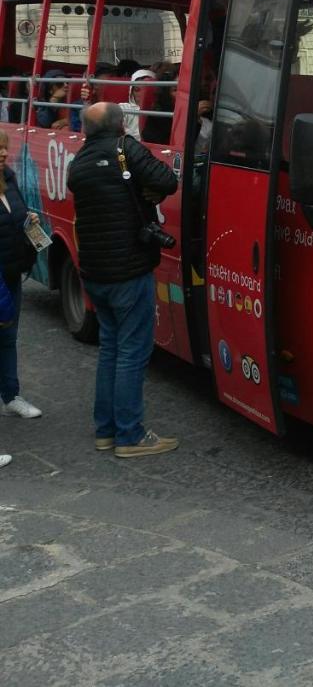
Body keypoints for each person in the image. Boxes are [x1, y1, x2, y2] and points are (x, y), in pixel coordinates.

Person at [67, 102, 179, 457]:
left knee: (111, 349)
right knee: (132, 352)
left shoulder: (79, 161)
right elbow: (167, 180)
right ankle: (130, 436)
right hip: (129, 271)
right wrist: (153, 192)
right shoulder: (125, 148)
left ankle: (106, 431)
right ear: (121, 126)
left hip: (95, 273)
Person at [0, 130, 42, 423]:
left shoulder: (9, 178)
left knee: (8, 338)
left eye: (4, 147)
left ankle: (10, 396)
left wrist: (30, 221)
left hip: (11, 274)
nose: (3, 152)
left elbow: (16, 217)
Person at [121, 68, 155, 140]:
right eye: (137, 90)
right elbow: (118, 130)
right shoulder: (124, 108)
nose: (141, 94)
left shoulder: (160, 111)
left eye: (145, 90)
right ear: (131, 92)